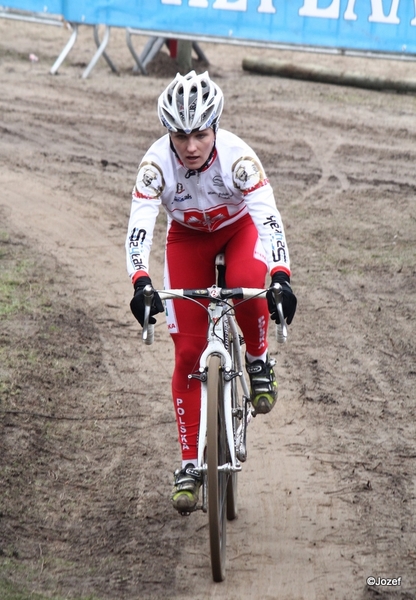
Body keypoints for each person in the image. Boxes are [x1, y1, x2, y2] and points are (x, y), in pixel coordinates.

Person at [125, 70, 297, 514]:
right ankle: (188, 464)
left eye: (200, 134)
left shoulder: (239, 159)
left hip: (238, 231)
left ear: (215, 127)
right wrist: (141, 283)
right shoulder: (154, 167)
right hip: (186, 240)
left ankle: (257, 361)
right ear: (169, 133)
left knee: (249, 288)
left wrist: (281, 276)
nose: (191, 146)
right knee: (186, 354)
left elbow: (268, 219)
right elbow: (139, 230)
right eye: (180, 136)